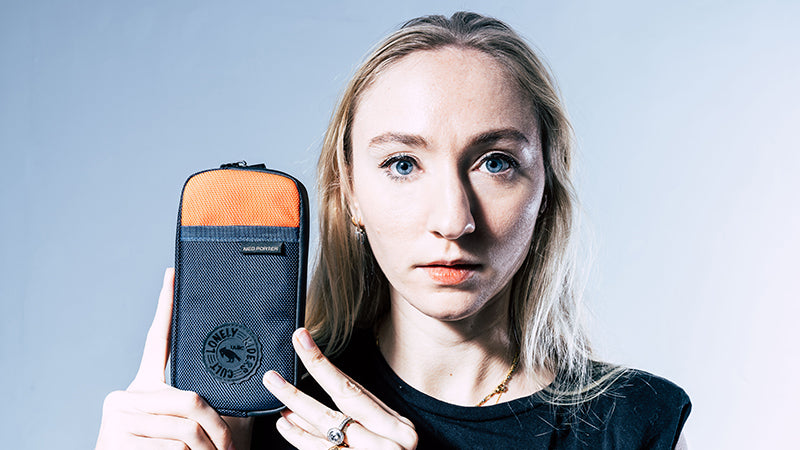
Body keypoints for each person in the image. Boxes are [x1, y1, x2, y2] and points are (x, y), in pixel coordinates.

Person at [97, 12, 691, 450]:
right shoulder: (253, 417)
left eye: (496, 163)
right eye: (403, 164)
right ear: (351, 192)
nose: (453, 221)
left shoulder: (637, 423)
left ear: (546, 190)